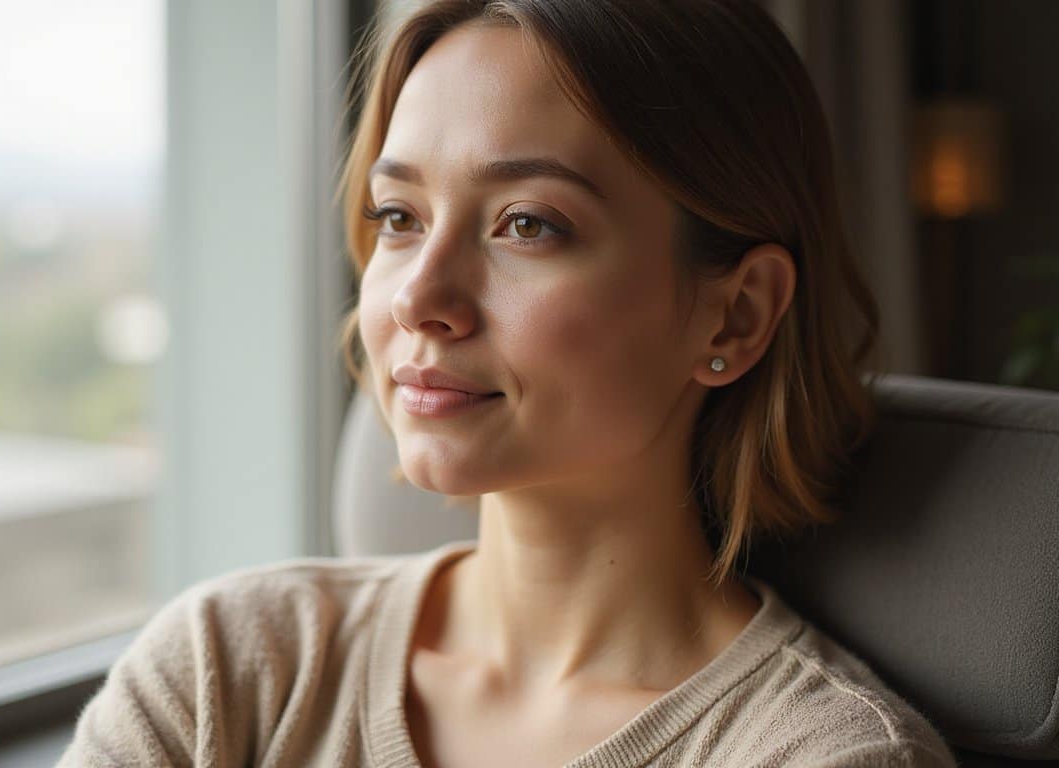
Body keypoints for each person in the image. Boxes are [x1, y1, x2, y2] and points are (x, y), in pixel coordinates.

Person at [57, 1, 957, 765]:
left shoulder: (827, 753)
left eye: (527, 225)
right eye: (400, 216)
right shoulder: (227, 671)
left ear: (737, 316)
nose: (419, 297)